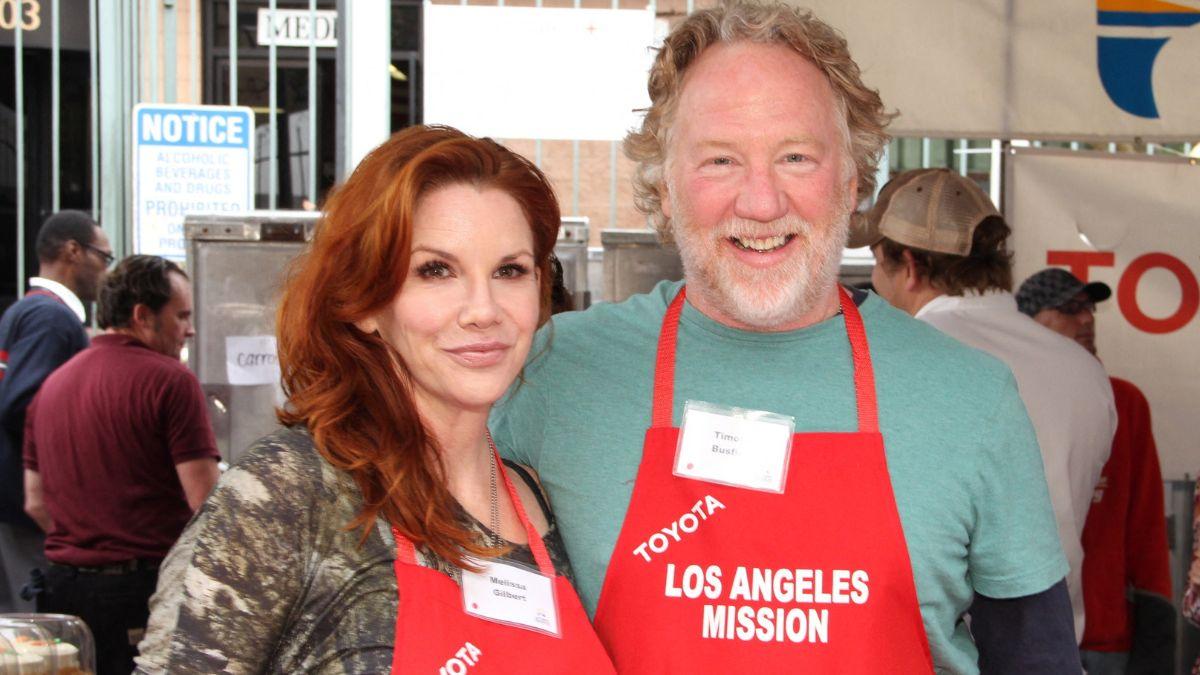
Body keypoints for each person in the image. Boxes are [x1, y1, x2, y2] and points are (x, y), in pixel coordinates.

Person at [490, 1, 1077, 671]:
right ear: (666, 185)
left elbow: (1039, 660)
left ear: (852, 180)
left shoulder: (972, 399)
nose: (761, 203)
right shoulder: (554, 375)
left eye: (796, 156)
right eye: (719, 161)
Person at [135, 126, 614, 674]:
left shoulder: (541, 502)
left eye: (509, 271)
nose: (484, 309)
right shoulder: (292, 494)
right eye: (436, 270)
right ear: (365, 304)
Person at [856, 168, 1117, 642]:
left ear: (910, 265)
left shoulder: (892, 359)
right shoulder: (1085, 370)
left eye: (876, 262)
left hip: (933, 649)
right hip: (1051, 644)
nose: (874, 280)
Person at [21, 255, 220, 675]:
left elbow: (35, 502)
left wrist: (89, 541)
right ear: (142, 316)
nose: (190, 329)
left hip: (64, 596)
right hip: (142, 593)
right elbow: (207, 502)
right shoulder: (171, 381)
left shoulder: (51, 387)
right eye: (181, 316)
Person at [1017, 267, 1175, 673]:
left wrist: (1157, 622)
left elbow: (1146, 526)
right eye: (1070, 309)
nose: (1086, 319)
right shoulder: (1006, 400)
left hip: (1109, 637)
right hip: (1027, 633)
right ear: (1028, 325)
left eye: (1089, 308)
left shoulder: (1124, 402)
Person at [0, 210, 111, 612]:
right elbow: (20, 402)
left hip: (15, 502)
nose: (105, 270)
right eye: (104, 257)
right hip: (27, 507)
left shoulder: (27, 310)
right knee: (36, 633)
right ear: (73, 251)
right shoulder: (51, 318)